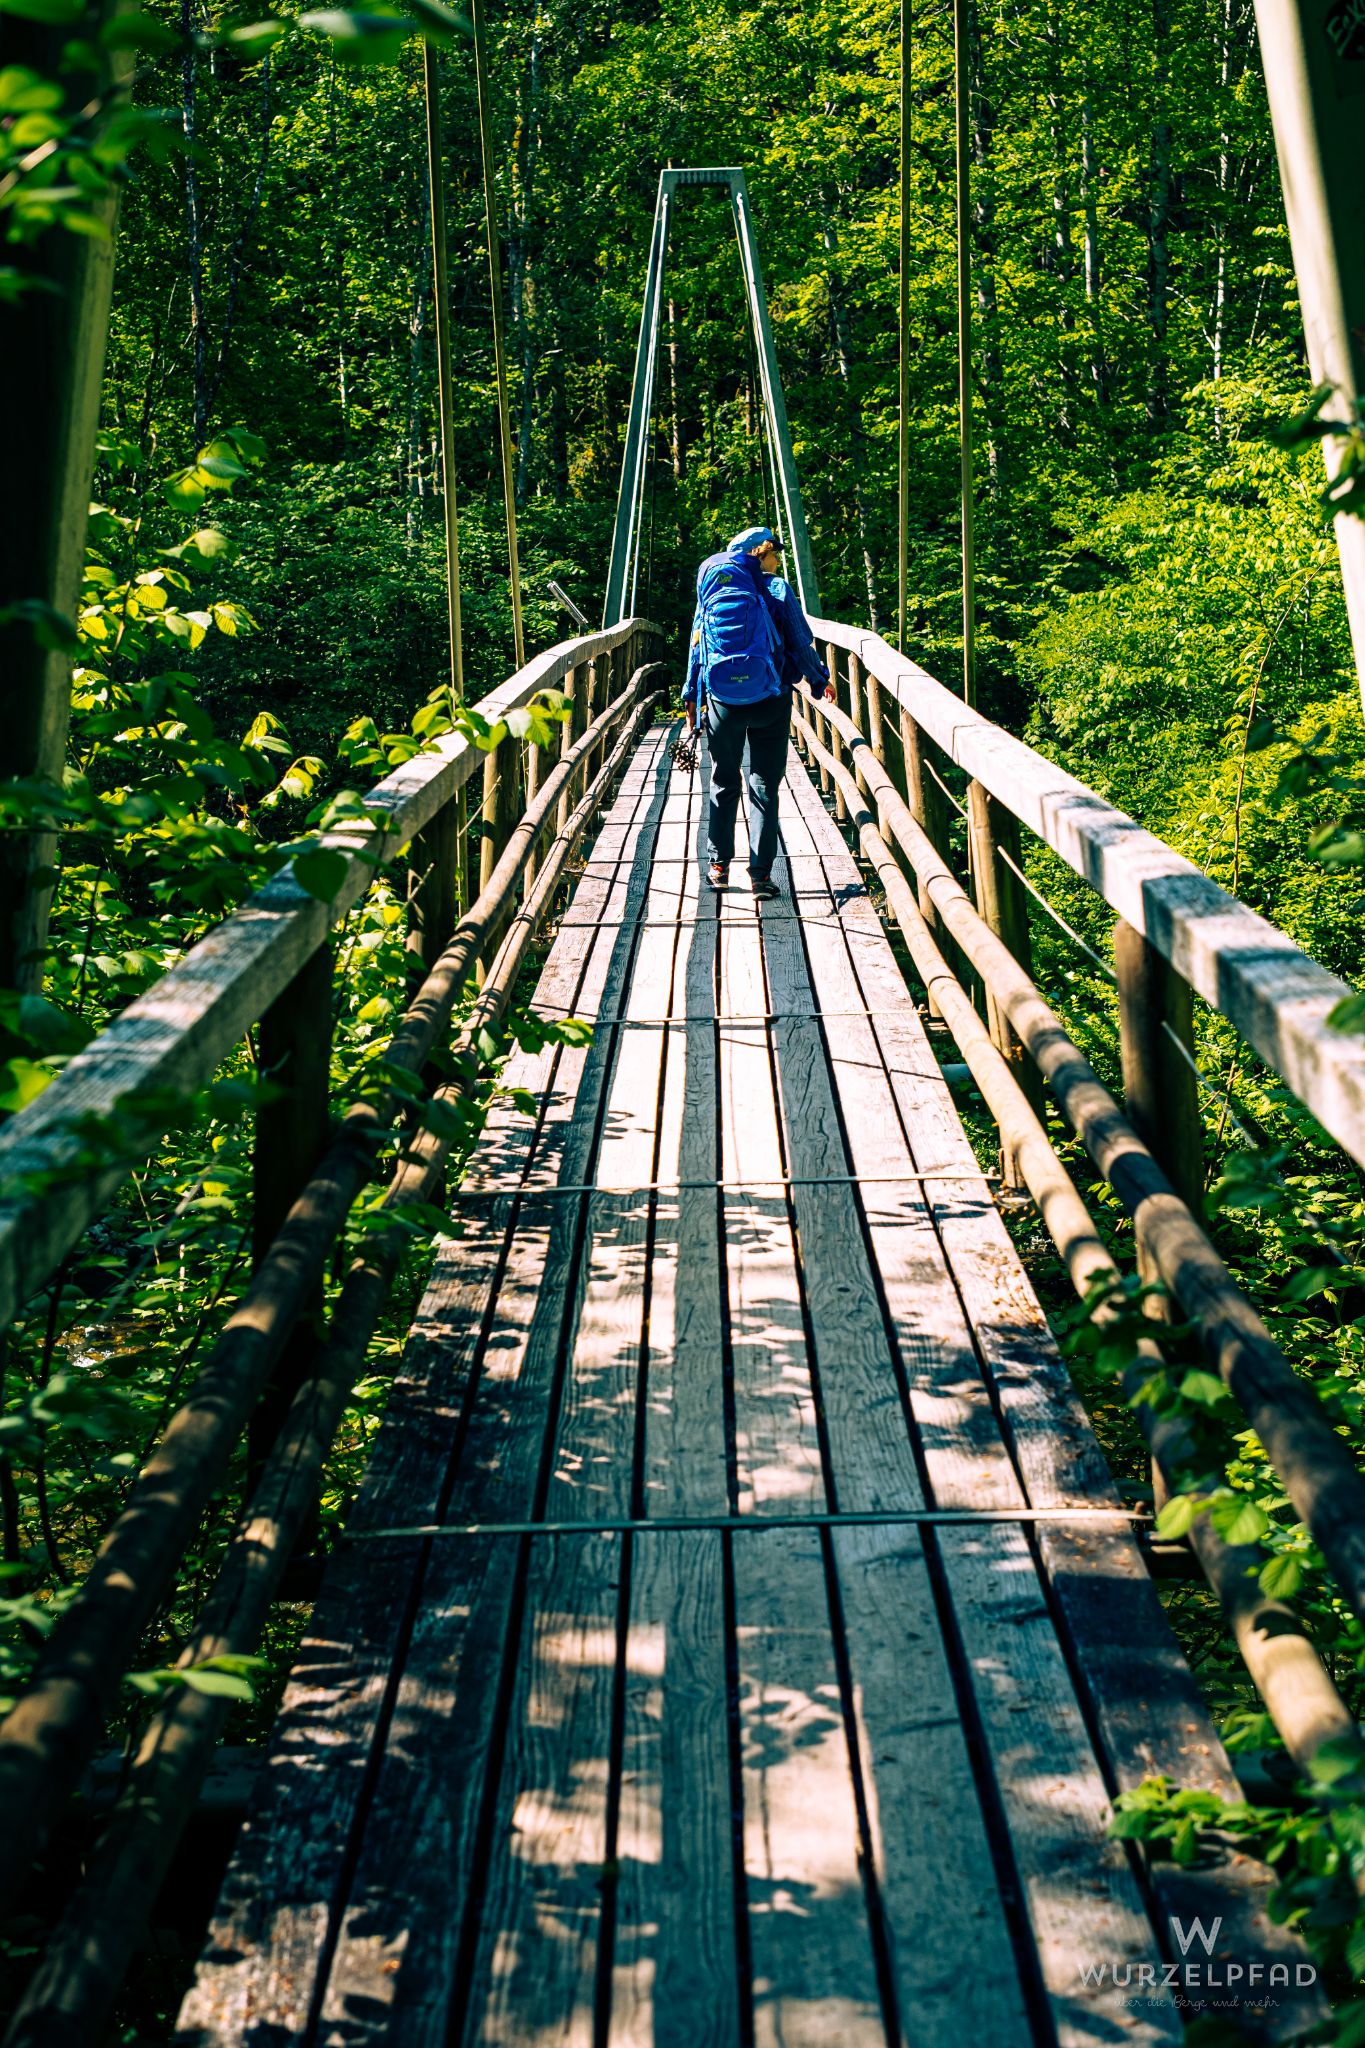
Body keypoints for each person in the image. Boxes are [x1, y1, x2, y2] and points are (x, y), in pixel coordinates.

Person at [683, 525, 831, 898]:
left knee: (722, 781)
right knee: (764, 785)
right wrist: (818, 680)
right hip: (771, 698)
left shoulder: (712, 589)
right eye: (774, 553)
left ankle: (718, 868)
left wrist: (691, 696)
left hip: (723, 702)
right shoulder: (777, 588)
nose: (778, 560)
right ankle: (761, 877)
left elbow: (697, 645)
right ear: (760, 555)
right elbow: (800, 640)